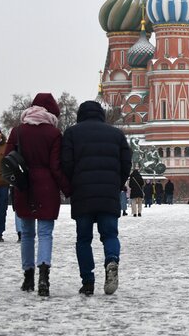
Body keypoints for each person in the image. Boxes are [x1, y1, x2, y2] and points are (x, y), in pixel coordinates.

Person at [61, 100, 131, 296]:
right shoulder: (116, 134)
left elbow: (65, 162)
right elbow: (126, 163)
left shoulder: (72, 133)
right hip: (108, 195)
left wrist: (74, 181)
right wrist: (116, 183)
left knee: (83, 239)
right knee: (110, 235)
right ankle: (111, 260)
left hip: (82, 194)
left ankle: (88, 281)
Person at [6, 93, 71, 297]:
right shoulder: (53, 134)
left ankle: (28, 276)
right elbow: (56, 166)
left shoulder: (17, 131)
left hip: (23, 186)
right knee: (45, 234)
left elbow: (7, 160)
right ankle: (44, 276)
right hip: (47, 188)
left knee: (26, 234)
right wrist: (67, 189)